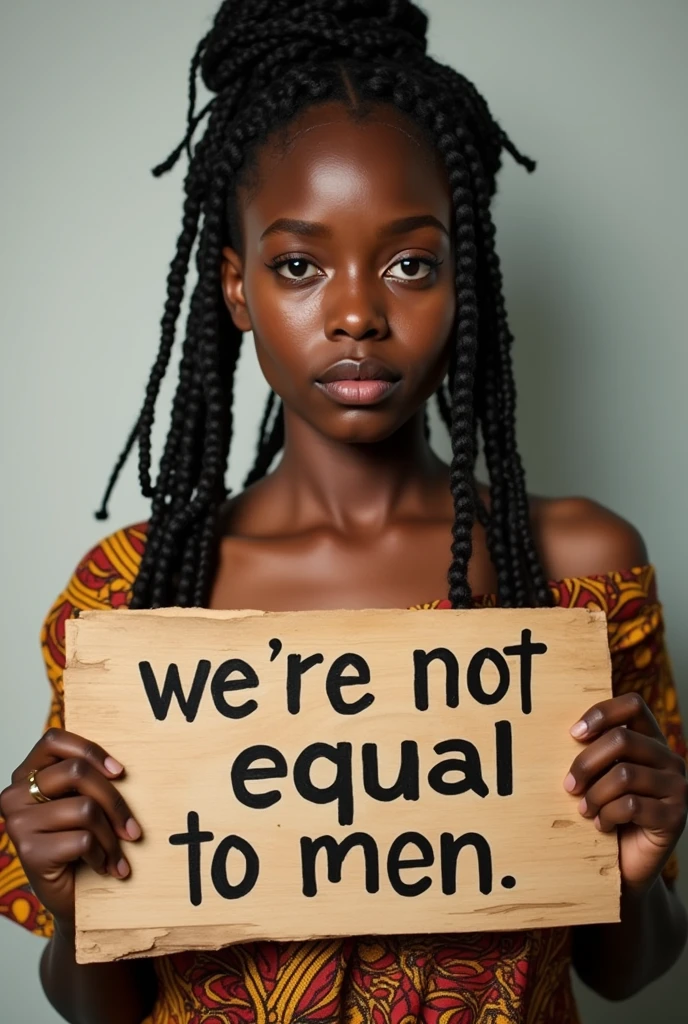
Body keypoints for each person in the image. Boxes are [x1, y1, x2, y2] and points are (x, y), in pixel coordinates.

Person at [1, 1, 686, 1021]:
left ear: (467, 282)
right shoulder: (135, 596)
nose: (358, 311)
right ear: (235, 288)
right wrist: (72, 898)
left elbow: (622, 971)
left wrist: (631, 868)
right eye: (299, 265)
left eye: (411, 263)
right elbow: (103, 1005)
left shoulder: (576, 570)